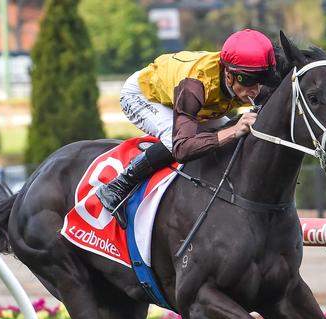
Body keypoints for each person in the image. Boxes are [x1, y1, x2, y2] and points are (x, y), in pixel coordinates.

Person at [95, 29, 276, 228]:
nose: (256, 89)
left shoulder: (250, 79)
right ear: (228, 73)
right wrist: (232, 131)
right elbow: (182, 148)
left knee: (230, 132)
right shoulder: (196, 84)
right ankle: (117, 187)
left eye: (262, 78)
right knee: (175, 141)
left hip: (194, 102)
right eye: (247, 79)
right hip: (145, 96)